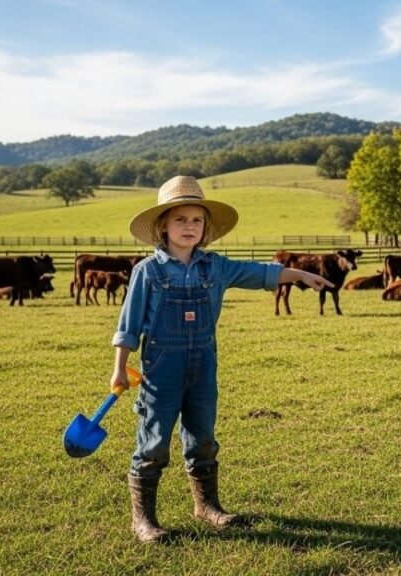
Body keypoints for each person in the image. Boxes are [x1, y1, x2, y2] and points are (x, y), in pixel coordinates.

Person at [111, 175, 332, 543]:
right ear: (163, 226)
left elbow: (259, 272)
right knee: (154, 442)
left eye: (196, 220)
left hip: (203, 367)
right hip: (161, 371)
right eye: (180, 219)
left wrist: (301, 274)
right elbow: (128, 325)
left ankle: (207, 506)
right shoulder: (147, 271)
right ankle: (144, 520)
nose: (189, 226)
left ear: (205, 227)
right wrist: (119, 367)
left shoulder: (216, 267)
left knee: (203, 437)